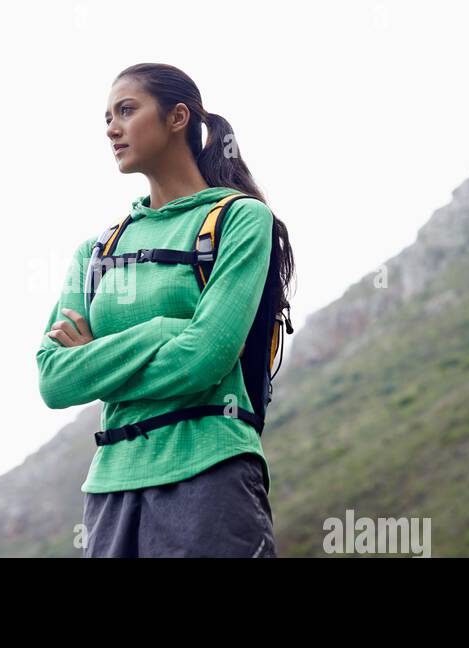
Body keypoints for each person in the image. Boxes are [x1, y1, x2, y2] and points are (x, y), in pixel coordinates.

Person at [36, 63, 295, 557]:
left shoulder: (240, 220)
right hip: (110, 492)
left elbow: (206, 357)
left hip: (210, 477)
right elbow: (53, 378)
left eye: (127, 110)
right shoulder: (94, 252)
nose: (112, 128)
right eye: (107, 117)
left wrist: (99, 358)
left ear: (178, 117)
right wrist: (161, 333)